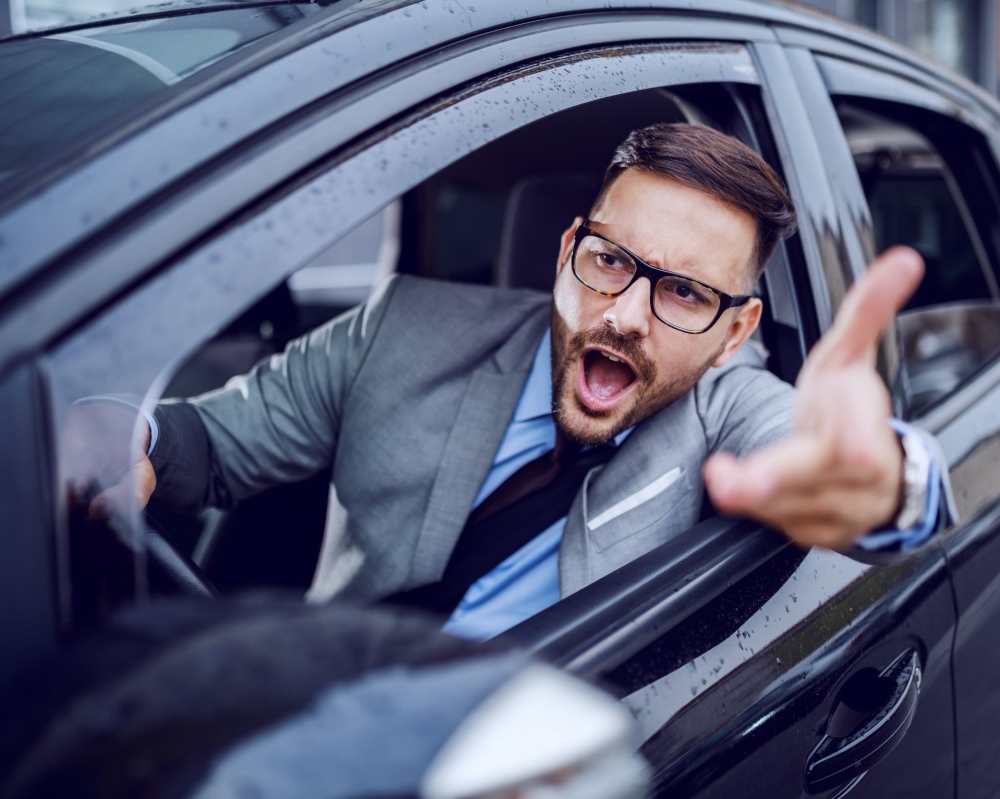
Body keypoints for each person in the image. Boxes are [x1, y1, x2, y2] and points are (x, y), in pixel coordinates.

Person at [84, 123, 945, 640]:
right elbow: (211, 440)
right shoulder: (404, 327)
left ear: (736, 331)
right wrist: (134, 441)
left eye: (685, 291)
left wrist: (887, 480)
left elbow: (836, 463)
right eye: (611, 262)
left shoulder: (731, 408)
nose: (629, 315)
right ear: (568, 250)